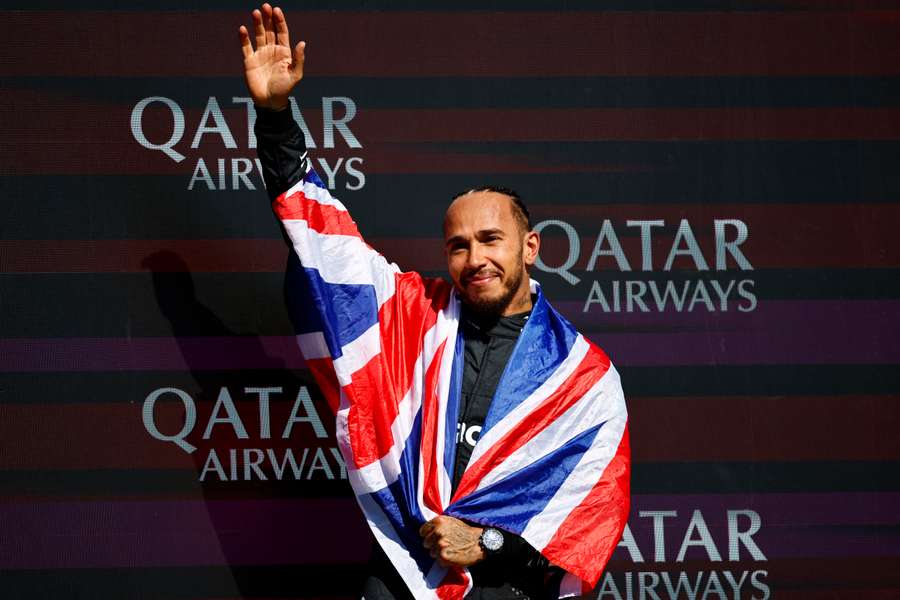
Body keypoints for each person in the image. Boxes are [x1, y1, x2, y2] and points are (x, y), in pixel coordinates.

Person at [239, 5, 630, 599]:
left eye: (491, 240)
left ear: (530, 247)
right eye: (458, 245)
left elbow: (583, 534)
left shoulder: (586, 380)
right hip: (400, 572)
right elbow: (325, 242)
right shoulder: (412, 315)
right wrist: (275, 117)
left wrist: (485, 543)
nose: (475, 258)